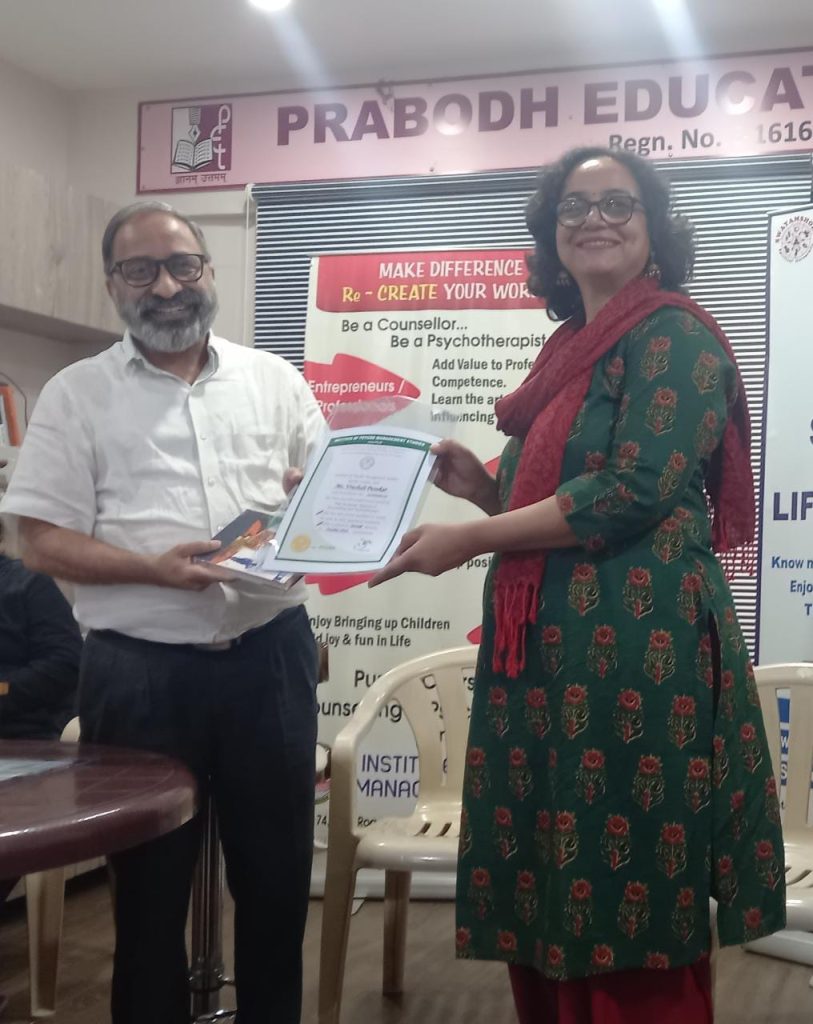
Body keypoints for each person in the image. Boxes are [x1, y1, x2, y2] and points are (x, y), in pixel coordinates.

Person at [371, 147, 785, 1023]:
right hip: (544, 655)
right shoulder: (567, 349)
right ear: (550, 236)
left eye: (616, 203)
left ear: (654, 227)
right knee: (545, 863)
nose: (593, 218)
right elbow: (556, 499)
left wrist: (470, 537)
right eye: (573, 206)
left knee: (630, 869)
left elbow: (632, 489)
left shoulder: (674, 334)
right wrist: (482, 490)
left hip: (635, 653)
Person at [0, 201, 325, 1024]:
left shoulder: (276, 381)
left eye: (182, 265)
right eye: (141, 270)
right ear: (113, 284)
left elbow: (326, 510)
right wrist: (151, 568)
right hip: (138, 674)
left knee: (277, 888)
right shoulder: (77, 394)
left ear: (209, 271)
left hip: (269, 657)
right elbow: (38, 541)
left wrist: (313, 511)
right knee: (146, 904)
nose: (167, 287)